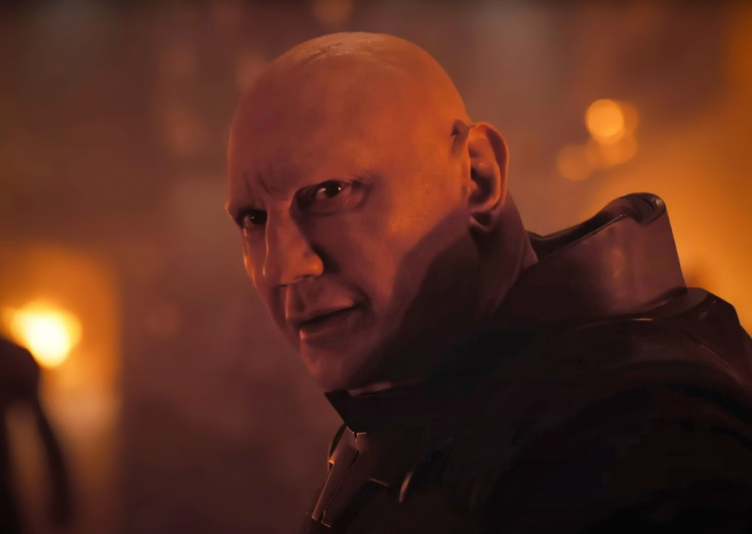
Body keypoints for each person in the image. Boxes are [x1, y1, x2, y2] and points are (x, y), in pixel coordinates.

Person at [226, 33, 752, 533]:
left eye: (330, 192)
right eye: (253, 218)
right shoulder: (432, 404)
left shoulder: (639, 439)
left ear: (477, 177)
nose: (281, 268)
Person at [0, 257, 72, 533]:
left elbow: (40, 424)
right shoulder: (7, 357)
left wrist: (61, 492)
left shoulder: (7, 359)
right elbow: (42, 426)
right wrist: (61, 492)